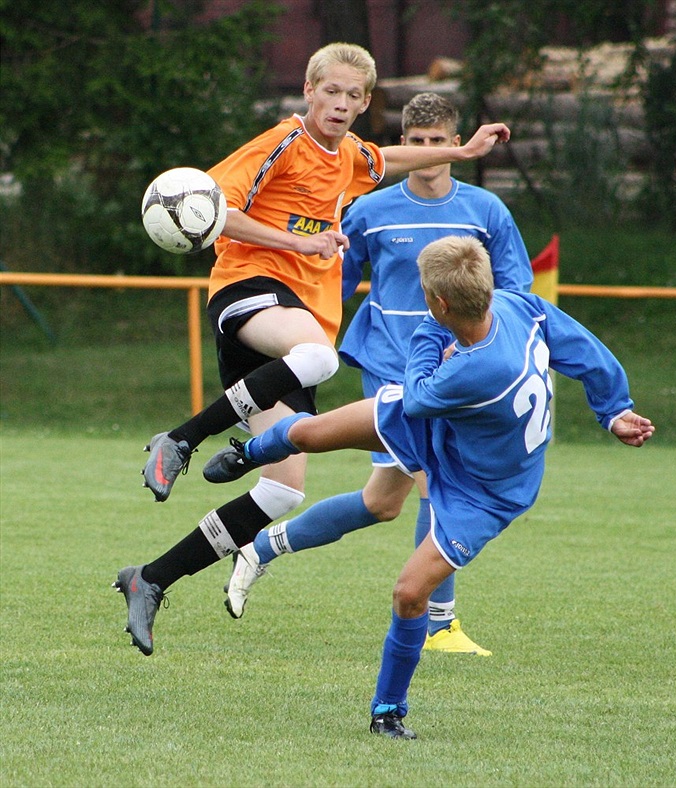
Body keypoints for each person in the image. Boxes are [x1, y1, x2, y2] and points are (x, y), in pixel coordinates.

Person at [115, 235, 654, 739]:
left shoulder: (472, 367)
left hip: (486, 490)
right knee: (310, 433)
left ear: (439, 302)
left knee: (408, 591)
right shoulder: (520, 307)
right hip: (449, 423)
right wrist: (615, 410)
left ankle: (387, 711)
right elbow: (587, 351)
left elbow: (419, 393)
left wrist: (431, 338)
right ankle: (247, 451)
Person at [121, 43, 510, 656]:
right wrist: (296, 246)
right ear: (309, 90)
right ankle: (182, 439)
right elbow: (218, 212)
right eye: (332, 91)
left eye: (356, 97)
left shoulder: (350, 155)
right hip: (250, 291)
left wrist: (461, 151)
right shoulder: (283, 141)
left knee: (283, 492)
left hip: (289, 331)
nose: (343, 104)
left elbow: (386, 157)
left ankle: (151, 579)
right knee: (319, 357)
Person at [213, 92, 533, 656]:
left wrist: (500, 352)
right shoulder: (369, 210)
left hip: (463, 371)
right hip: (394, 364)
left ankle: (260, 548)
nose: (429, 152)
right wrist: (301, 346)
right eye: (419, 142)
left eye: (440, 142)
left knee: (382, 503)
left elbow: (516, 293)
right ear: (404, 144)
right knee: (439, 478)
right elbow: (324, 284)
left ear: (455, 144)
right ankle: (438, 624)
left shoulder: (486, 212)